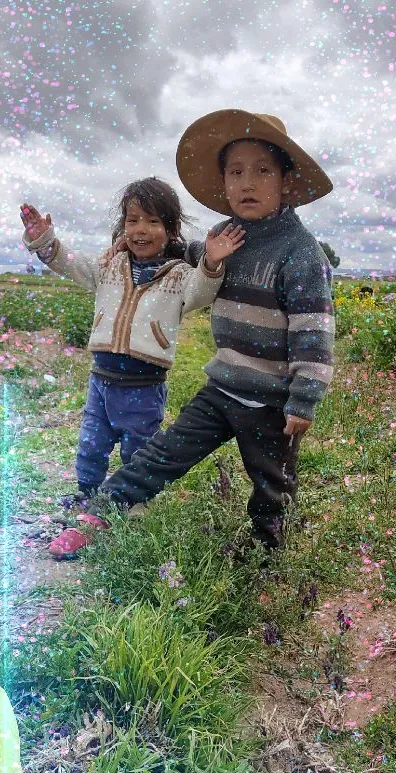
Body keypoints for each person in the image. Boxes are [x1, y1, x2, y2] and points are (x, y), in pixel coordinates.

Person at [47, 110, 335, 559]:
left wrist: (304, 399)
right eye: (235, 171)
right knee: (165, 452)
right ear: (223, 182)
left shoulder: (301, 252)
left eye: (262, 171)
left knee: (272, 485)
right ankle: (101, 510)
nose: (247, 183)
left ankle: (267, 560)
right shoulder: (225, 234)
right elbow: (188, 251)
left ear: (285, 180)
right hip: (222, 388)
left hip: (272, 400)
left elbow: (313, 331)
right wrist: (142, 238)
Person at [20, 177, 244, 552]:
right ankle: (89, 496)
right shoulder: (110, 265)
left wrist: (211, 264)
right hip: (101, 380)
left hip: (144, 384)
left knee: (138, 448)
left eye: (153, 221)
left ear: (170, 229)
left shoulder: (178, 276)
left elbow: (201, 293)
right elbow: (71, 264)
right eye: (133, 219)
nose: (141, 230)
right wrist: (45, 241)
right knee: (91, 444)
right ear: (123, 225)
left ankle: (135, 500)